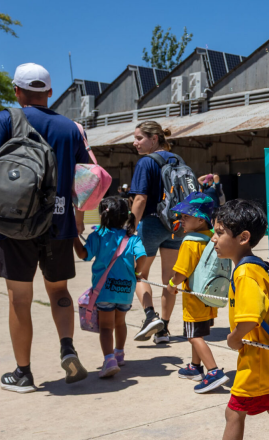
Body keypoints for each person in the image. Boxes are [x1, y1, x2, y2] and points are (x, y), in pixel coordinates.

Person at [0, 63, 92, 393]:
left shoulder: (5, 119)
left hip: (15, 223)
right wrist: (79, 217)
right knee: (58, 291)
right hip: (59, 221)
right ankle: (67, 346)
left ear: (16, 90)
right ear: (50, 93)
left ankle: (23, 373)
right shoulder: (71, 128)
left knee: (19, 298)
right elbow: (87, 178)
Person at [214, 199, 269, 440]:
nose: (214, 239)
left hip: (256, 364)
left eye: (219, 233)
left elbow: (251, 317)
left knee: (234, 414)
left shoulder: (244, 273)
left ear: (243, 237)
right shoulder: (257, 266)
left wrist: (234, 338)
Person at [73, 196, 146, 378]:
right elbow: (143, 256)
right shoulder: (132, 238)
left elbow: (83, 255)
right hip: (126, 290)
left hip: (104, 290)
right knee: (120, 322)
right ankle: (119, 353)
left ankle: (109, 360)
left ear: (102, 215)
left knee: (106, 327)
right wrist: (138, 273)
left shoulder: (97, 236)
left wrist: (74, 237)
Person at [165, 192, 228, 394]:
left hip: (193, 298)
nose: (181, 219)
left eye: (186, 216)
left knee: (193, 337)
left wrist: (171, 285)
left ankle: (213, 372)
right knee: (198, 332)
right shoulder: (211, 238)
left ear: (200, 219)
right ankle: (195, 367)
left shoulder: (190, 242)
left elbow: (181, 273)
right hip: (208, 295)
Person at [129, 121, 181, 344]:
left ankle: (151, 316)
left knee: (138, 274)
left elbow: (140, 199)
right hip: (176, 226)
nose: (135, 143)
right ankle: (164, 330)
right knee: (169, 279)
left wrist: (130, 228)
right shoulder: (178, 160)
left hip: (151, 224)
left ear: (155, 139)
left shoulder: (146, 163)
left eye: (139, 138)